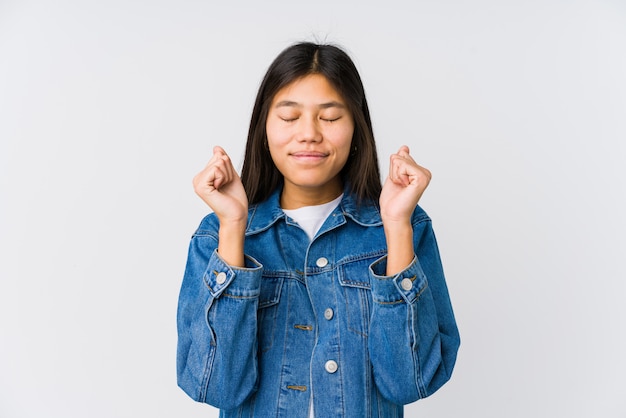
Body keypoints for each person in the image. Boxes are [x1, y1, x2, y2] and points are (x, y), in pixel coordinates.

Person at [176, 42, 460, 418]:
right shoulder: (216, 235)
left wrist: (395, 226)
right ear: (264, 127)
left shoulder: (407, 225)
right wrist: (233, 227)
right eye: (290, 117)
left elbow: (410, 382)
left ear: (357, 127)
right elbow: (216, 387)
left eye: (329, 117)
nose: (308, 133)